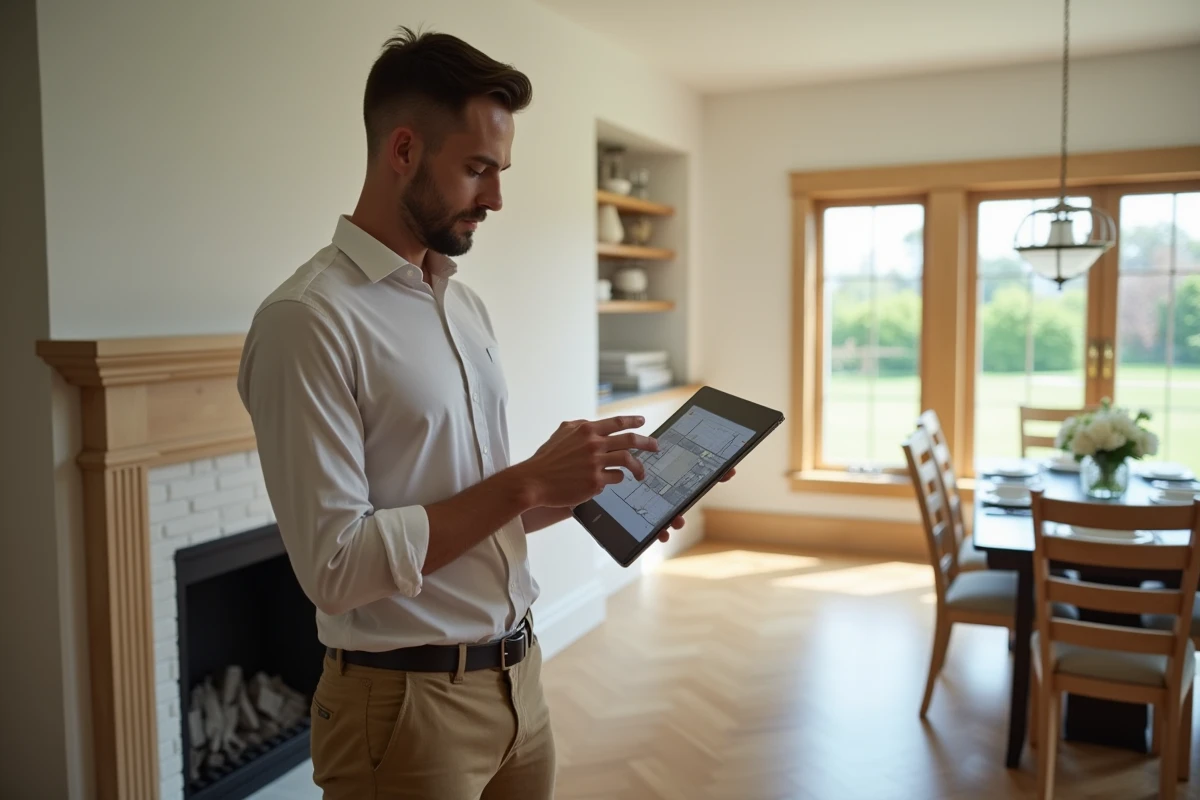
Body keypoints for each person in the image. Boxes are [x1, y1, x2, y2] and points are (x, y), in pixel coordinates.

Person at [237, 26, 730, 800]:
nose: (497, 197)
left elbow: (464, 512)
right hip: (403, 713)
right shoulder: (307, 321)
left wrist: (585, 490)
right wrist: (529, 483)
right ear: (402, 150)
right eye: (476, 170)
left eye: (499, 171)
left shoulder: (463, 306)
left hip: (519, 683)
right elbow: (336, 568)